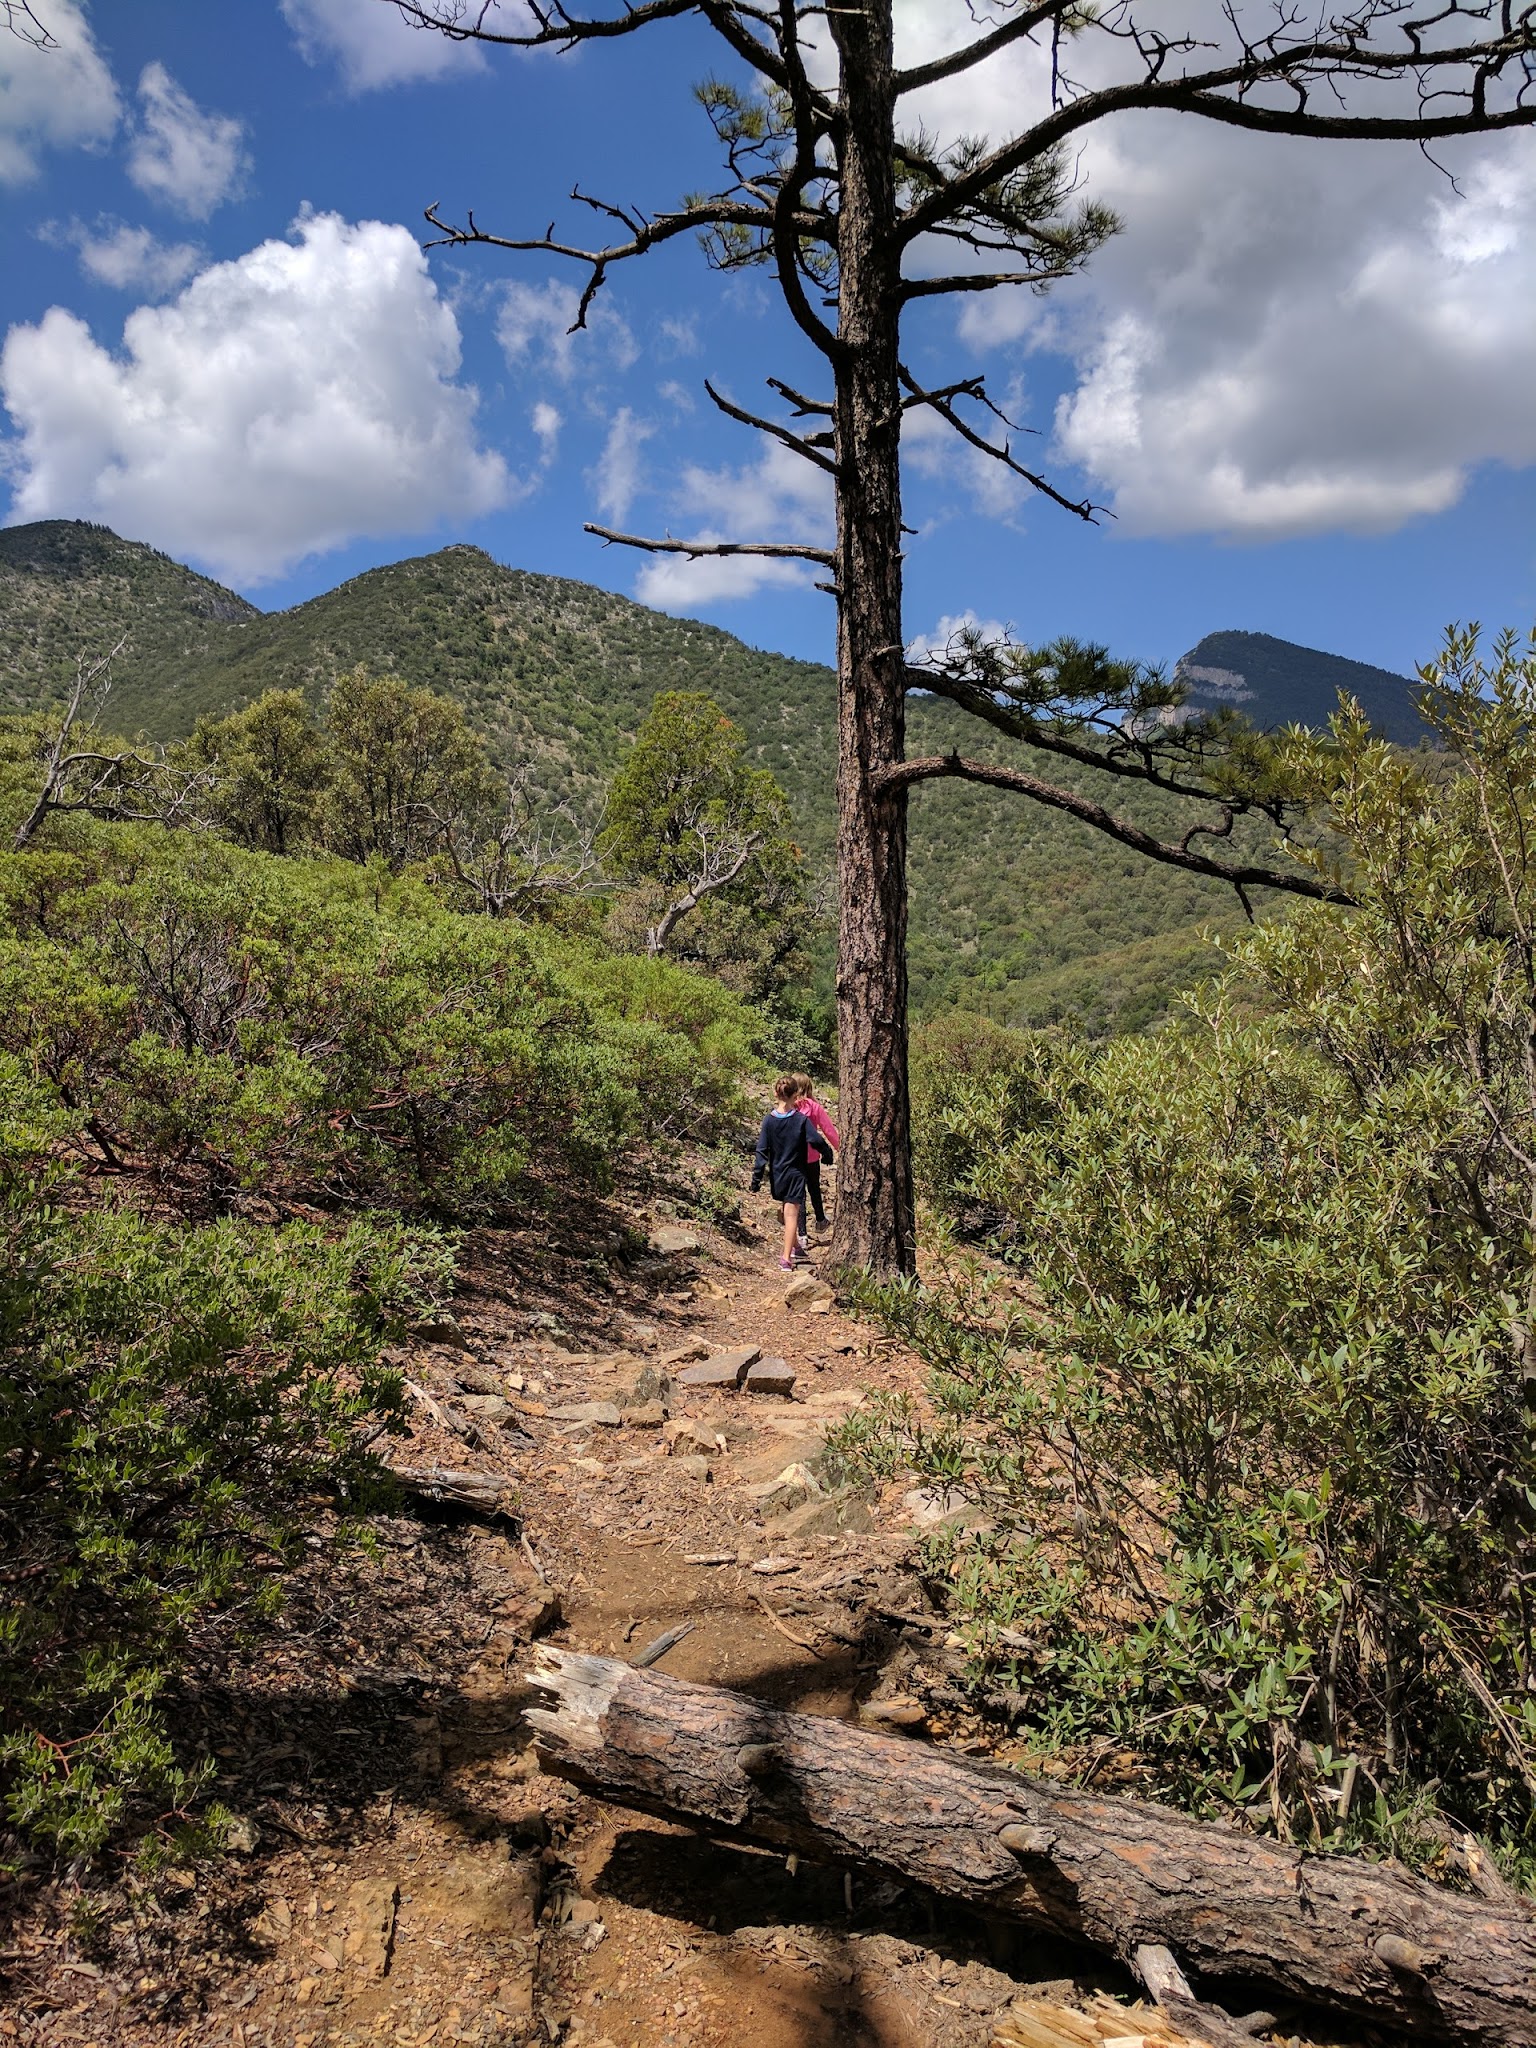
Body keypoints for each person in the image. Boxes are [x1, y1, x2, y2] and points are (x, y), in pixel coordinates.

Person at [750, 1075, 831, 1271]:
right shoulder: (801, 1120)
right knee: (791, 1214)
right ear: (796, 1095)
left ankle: (795, 1246)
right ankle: (786, 1257)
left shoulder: (769, 1121)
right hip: (796, 1172)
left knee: (788, 1210)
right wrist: (827, 1154)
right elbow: (816, 1140)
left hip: (778, 1174)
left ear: (775, 1093)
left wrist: (756, 1178)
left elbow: (762, 1150)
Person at [793, 1071, 839, 1242]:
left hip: (793, 1158)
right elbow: (829, 1130)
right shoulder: (815, 1107)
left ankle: (802, 1235)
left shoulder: (788, 1107)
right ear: (808, 1088)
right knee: (814, 1189)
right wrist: (840, 1148)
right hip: (812, 1156)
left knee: (799, 1196)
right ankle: (820, 1220)